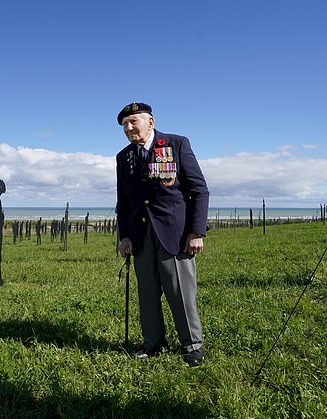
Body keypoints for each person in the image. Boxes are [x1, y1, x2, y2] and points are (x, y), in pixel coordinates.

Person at [115, 102, 209, 367]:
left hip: (175, 234)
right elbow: (123, 202)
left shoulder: (176, 144)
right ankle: (153, 343)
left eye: (133, 121)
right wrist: (124, 236)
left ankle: (192, 345)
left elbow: (199, 191)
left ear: (151, 122)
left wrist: (196, 231)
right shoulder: (124, 157)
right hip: (141, 235)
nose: (129, 127)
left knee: (180, 291)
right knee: (147, 292)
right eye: (125, 124)